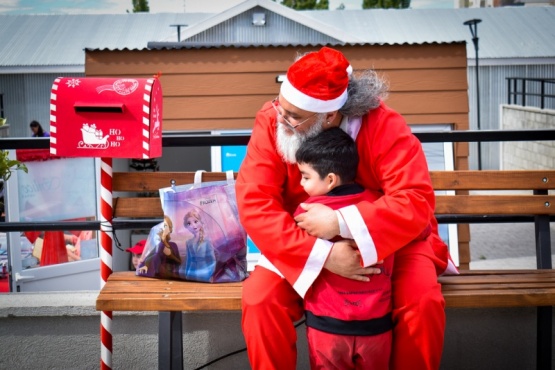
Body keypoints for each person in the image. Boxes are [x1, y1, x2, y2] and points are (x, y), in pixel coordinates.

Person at [236, 46, 457, 370]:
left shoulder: (384, 125)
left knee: (422, 302)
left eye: (294, 115)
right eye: (279, 107)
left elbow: (414, 199)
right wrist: (324, 254)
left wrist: (340, 223)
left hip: (392, 242)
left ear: (328, 115)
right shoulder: (273, 121)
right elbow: (255, 203)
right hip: (301, 241)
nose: (280, 119)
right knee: (260, 299)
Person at [294, 127, 394, 369]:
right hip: (377, 324)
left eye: (306, 177)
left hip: (327, 325)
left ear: (330, 179)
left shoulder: (306, 212)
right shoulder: (380, 205)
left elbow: (292, 249)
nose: (301, 183)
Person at [183, 209, 216, 281]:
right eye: (189, 223)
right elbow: (188, 260)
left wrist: (210, 274)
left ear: (201, 222)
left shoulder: (207, 240)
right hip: (191, 273)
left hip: (204, 272)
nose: (193, 226)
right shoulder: (188, 242)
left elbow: (212, 260)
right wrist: (186, 274)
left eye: (195, 221)